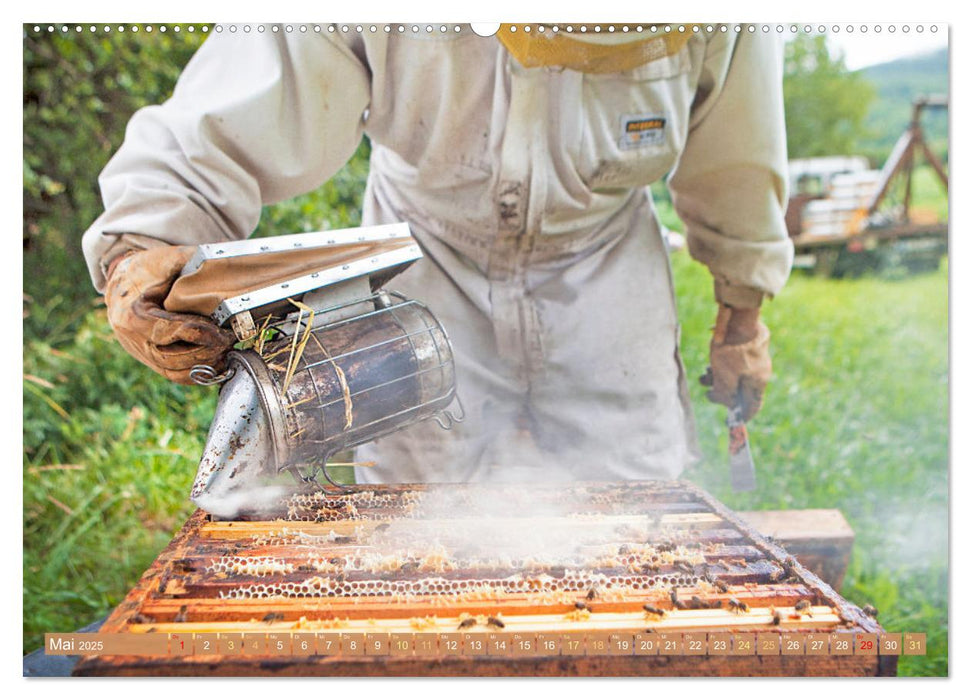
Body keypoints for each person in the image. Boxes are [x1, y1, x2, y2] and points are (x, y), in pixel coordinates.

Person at [84, 24, 793, 485]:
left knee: (631, 502)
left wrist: (741, 319)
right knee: (414, 508)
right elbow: (230, 110)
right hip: (425, 262)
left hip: (605, 267)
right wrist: (142, 242)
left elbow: (740, 152)